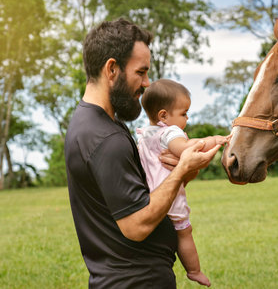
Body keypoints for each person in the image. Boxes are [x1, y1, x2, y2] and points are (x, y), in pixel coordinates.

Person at [64, 18, 221, 288]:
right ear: (112, 69)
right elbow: (136, 225)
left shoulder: (92, 123)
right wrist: (182, 169)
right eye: (141, 72)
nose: (147, 83)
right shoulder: (106, 138)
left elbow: (140, 194)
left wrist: (182, 173)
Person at [137, 79, 228, 287]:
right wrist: (215, 139)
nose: (188, 117)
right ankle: (194, 270)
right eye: (184, 113)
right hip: (170, 196)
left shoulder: (145, 134)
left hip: (149, 195)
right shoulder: (170, 131)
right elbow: (186, 149)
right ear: (164, 116)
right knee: (184, 232)